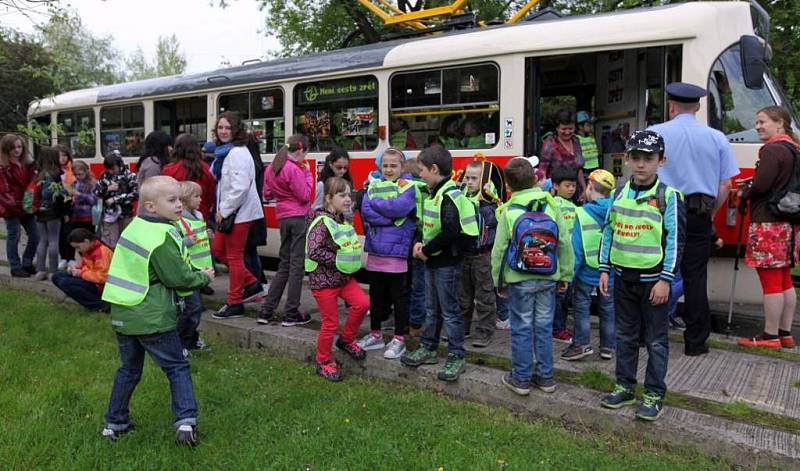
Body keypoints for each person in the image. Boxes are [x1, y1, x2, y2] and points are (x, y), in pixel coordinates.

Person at [100, 176, 213, 445]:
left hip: (124, 314)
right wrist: (204, 277)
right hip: (152, 317)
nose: (179, 205)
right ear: (151, 206)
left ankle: (114, 424)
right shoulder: (160, 236)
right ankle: (186, 423)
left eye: (180, 199)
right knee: (177, 367)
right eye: (172, 200)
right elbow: (178, 279)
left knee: (128, 370)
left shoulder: (134, 226)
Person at [598, 130, 685, 421]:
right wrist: (604, 270)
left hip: (653, 283)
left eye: (648, 159)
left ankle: (654, 394)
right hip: (623, 279)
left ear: (662, 160)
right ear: (626, 159)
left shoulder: (668, 197)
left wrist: (665, 279)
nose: (641, 165)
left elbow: (675, 241)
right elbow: (609, 231)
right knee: (624, 335)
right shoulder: (618, 193)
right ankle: (624, 386)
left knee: (657, 341)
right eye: (635, 158)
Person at [648, 82, 738, 356]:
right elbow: (725, 186)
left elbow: (642, 176)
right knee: (696, 278)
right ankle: (696, 343)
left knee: (653, 271)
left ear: (671, 107)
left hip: (660, 213)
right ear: (698, 107)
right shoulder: (717, 137)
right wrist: (710, 215)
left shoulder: (654, 134)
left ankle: (647, 336)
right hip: (698, 214)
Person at [494, 158, 573, 396]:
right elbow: (564, 242)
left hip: (520, 279)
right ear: (536, 180)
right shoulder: (551, 206)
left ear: (508, 186)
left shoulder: (508, 211)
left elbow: (498, 251)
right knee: (543, 327)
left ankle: (521, 378)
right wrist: (565, 274)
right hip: (548, 277)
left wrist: (499, 281)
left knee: (521, 328)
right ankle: (546, 378)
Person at [401, 145, 478, 382]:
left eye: (422, 170)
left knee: (450, 311)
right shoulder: (433, 193)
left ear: (434, 169)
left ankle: (456, 355)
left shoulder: (449, 196)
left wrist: (425, 250)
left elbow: (450, 232)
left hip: (446, 262)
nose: (420, 175)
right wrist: (418, 243)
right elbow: (425, 224)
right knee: (432, 308)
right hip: (432, 260)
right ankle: (429, 347)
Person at [737, 106, 799, 350]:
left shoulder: (772, 150)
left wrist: (746, 191)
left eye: (763, 122)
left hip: (768, 222)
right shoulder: (794, 149)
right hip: (790, 223)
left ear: (780, 123)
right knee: (785, 280)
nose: (758, 126)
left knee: (771, 281)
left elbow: (762, 186)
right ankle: (785, 333)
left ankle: (769, 335)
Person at [306, 177, 369, 381]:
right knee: (330, 322)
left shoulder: (341, 219)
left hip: (342, 278)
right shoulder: (322, 221)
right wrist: (338, 261)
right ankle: (323, 361)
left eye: (349, 195)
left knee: (362, 303)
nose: (348, 199)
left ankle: (346, 340)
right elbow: (314, 251)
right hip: (324, 281)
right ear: (329, 199)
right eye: (342, 195)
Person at [357, 148, 416, 359]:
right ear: (380, 167)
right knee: (376, 294)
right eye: (385, 166)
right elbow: (366, 210)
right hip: (376, 251)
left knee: (399, 296)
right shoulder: (372, 184)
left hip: (396, 253)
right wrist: (390, 220)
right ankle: (375, 334)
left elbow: (400, 208)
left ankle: (399, 338)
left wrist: (381, 210)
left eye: (393, 166)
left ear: (402, 167)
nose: (389, 169)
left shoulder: (408, 187)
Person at [210, 112, 267, 319]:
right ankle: (252, 283)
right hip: (234, 211)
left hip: (238, 213)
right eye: (220, 127)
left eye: (228, 128)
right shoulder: (227, 152)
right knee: (218, 250)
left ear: (236, 130)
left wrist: (224, 211)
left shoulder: (237, 154)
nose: (223, 131)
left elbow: (240, 188)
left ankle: (234, 302)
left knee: (234, 257)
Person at [258, 134, 314, 326]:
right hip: (298, 218)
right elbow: (305, 196)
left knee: (284, 264)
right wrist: (308, 173)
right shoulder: (293, 169)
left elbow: (266, 193)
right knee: (297, 266)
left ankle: (266, 311)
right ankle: (291, 313)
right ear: (300, 150)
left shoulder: (273, 167)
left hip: (282, 217)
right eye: (306, 153)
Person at [561, 169, 616, 361]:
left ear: (590, 187)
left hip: (586, 272)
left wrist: (569, 275)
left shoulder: (582, 213)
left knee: (582, 308)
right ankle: (608, 347)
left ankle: (582, 344)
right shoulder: (616, 210)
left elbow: (576, 249)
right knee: (608, 309)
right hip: (610, 272)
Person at [458, 160, 500, 347]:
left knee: (484, 296)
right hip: (463, 254)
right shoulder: (460, 197)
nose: (469, 181)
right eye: (467, 177)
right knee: (462, 295)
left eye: (474, 178)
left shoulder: (490, 203)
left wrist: (488, 196)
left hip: (482, 256)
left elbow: (490, 219)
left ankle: (484, 331)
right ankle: (462, 327)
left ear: (485, 181)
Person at [176, 181, 213, 356]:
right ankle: (182, 343)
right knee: (191, 308)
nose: (200, 199)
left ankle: (189, 340)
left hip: (199, 269)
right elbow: (173, 243)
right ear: (184, 199)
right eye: (196, 196)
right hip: (188, 270)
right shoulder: (178, 220)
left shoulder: (197, 215)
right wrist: (186, 242)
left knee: (194, 308)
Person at [0, 133, 39, 277]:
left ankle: (27, 263)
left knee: (36, 236)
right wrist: (20, 204)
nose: (17, 150)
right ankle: (15, 266)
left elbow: (34, 185)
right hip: (11, 208)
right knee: (14, 236)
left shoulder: (28, 164)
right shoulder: (2, 168)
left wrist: (31, 203)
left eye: (19, 147)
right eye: (13, 148)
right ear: (6, 149)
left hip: (26, 206)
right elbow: (4, 192)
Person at [51, 228, 112, 312]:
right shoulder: (88, 249)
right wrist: (75, 268)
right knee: (57, 276)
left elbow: (103, 278)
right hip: (92, 282)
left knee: (65, 283)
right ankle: (95, 303)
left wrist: (81, 273)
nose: (77, 250)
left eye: (78, 247)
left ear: (86, 241)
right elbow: (85, 266)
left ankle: (101, 306)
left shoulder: (101, 252)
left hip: (102, 288)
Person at [33, 147, 70, 281]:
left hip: (40, 212)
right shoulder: (55, 174)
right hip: (54, 212)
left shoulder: (39, 174)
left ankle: (40, 270)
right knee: (53, 240)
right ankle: (53, 271)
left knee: (42, 240)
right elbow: (55, 193)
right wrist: (66, 194)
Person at [550, 166, 578, 343]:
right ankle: (558, 329)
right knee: (560, 297)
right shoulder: (553, 205)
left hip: (566, 259)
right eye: (567, 185)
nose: (571, 189)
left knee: (562, 296)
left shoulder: (574, 206)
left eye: (574, 186)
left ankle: (557, 326)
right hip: (559, 259)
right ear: (555, 186)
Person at [162, 133, 216, 222]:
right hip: (200, 213)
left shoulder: (169, 169)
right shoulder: (205, 168)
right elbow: (211, 195)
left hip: (175, 214)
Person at [403, 157, 429, 337]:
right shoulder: (427, 190)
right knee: (421, 285)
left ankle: (406, 321)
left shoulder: (405, 188)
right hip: (422, 240)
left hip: (407, 240)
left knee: (406, 284)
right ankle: (417, 324)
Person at [94, 152, 138, 248]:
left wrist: (116, 199)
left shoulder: (130, 176)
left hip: (125, 214)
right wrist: (107, 189)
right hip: (109, 216)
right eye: (108, 169)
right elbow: (96, 192)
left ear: (120, 165)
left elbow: (135, 195)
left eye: (113, 169)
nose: (110, 172)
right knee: (110, 243)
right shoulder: (104, 176)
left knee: (127, 243)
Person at [540, 110, 586, 194]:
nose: (567, 132)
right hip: (556, 191)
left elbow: (579, 168)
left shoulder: (576, 141)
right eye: (563, 129)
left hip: (575, 190)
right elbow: (543, 171)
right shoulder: (549, 144)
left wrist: (584, 188)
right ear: (557, 128)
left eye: (570, 128)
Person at [56, 146, 76, 265]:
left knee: (70, 231)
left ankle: (71, 257)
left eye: (64, 155)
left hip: (72, 205)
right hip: (60, 206)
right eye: (59, 156)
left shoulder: (72, 169)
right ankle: (64, 257)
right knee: (61, 233)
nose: (62, 158)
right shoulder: (55, 172)